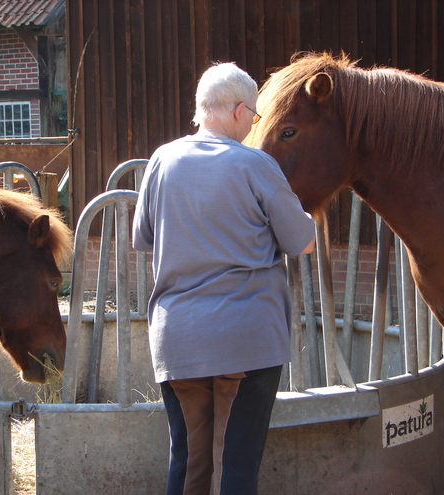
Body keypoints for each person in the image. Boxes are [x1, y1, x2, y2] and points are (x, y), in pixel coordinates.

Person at [132, 62, 316, 495]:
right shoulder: (256, 165)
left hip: (177, 339)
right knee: (234, 467)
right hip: (245, 341)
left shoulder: (162, 160)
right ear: (238, 111)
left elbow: (143, 238)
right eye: (253, 116)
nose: (252, 126)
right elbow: (301, 241)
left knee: (189, 462)